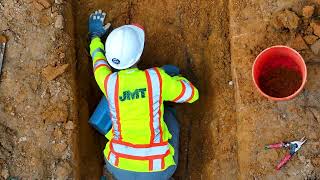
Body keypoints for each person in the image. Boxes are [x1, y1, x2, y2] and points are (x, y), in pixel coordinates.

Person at [88, 10, 199, 180]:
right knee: (169, 117)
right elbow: (192, 94)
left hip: (117, 166)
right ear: (139, 55)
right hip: (158, 170)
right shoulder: (156, 79)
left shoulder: (108, 82)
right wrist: (175, 79)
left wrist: (95, 35)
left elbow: (97, 59)